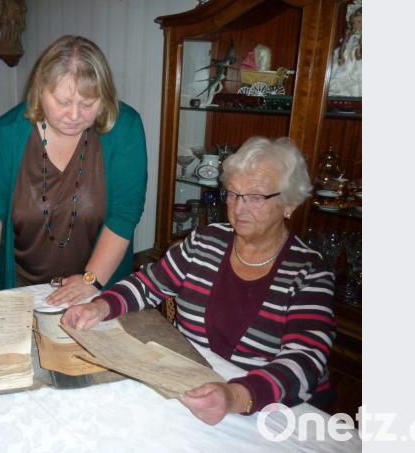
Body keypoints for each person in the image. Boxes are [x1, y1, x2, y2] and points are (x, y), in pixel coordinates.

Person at [62, 137, 335, 425]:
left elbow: (304, 362)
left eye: (255, 197)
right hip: (194, 386)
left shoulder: (309, 272)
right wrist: (99, 307)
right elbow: (148, 284)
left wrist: (234, 396)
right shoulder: (205, 242)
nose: (239, 209)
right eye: (232, 194)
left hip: (270, 412)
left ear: (289, 203)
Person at [0, 35, 147, 305]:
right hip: (22, 289)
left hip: (97, 288)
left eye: (88, 104)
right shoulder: (7, 134)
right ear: (40, 91)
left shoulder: (124, 129)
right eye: (63, 102)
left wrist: (91, 279)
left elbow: (124, 215)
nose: (74, 115)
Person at [328, 0, 361, 97]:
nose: (356, 25)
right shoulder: (350, 38)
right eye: (354, 22)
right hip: (346, 66)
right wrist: (342, 53)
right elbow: (342, 51)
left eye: (359, 21)